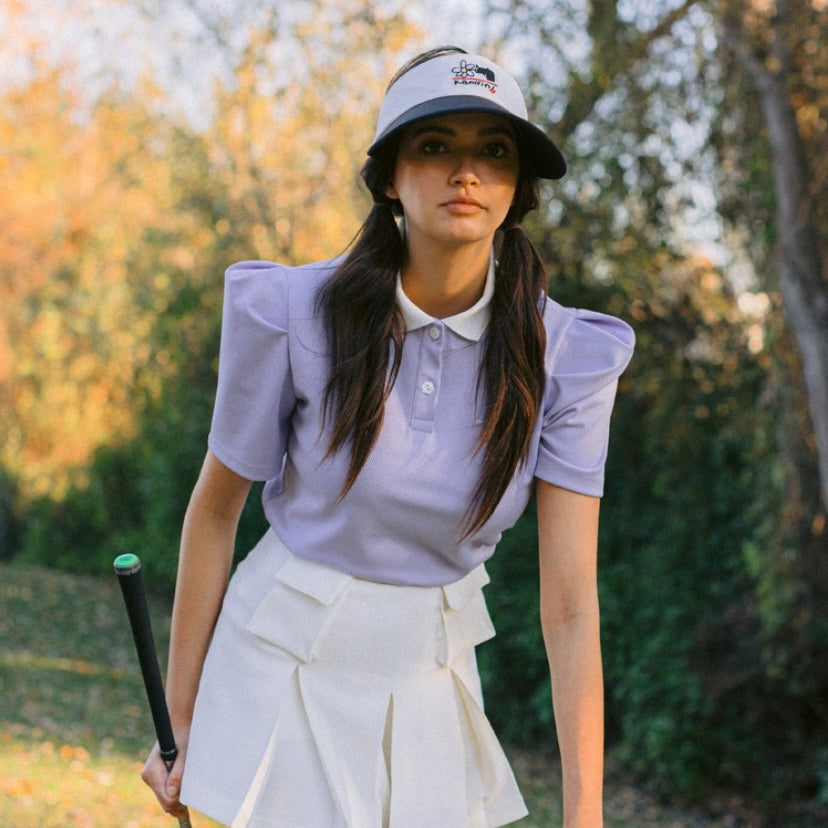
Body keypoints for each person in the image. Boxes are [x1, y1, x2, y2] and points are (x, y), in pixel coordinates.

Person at [141, 45, 634, 828]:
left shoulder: (569, 356)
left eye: (493, 152)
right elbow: (215, 511)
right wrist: (181, 717)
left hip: (428, 682)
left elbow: (570, 603)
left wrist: (584, 814)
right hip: (276, 668)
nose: (464, 173)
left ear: (517, 189)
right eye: (435, 146)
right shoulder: (292, 311)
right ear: (390, 178)